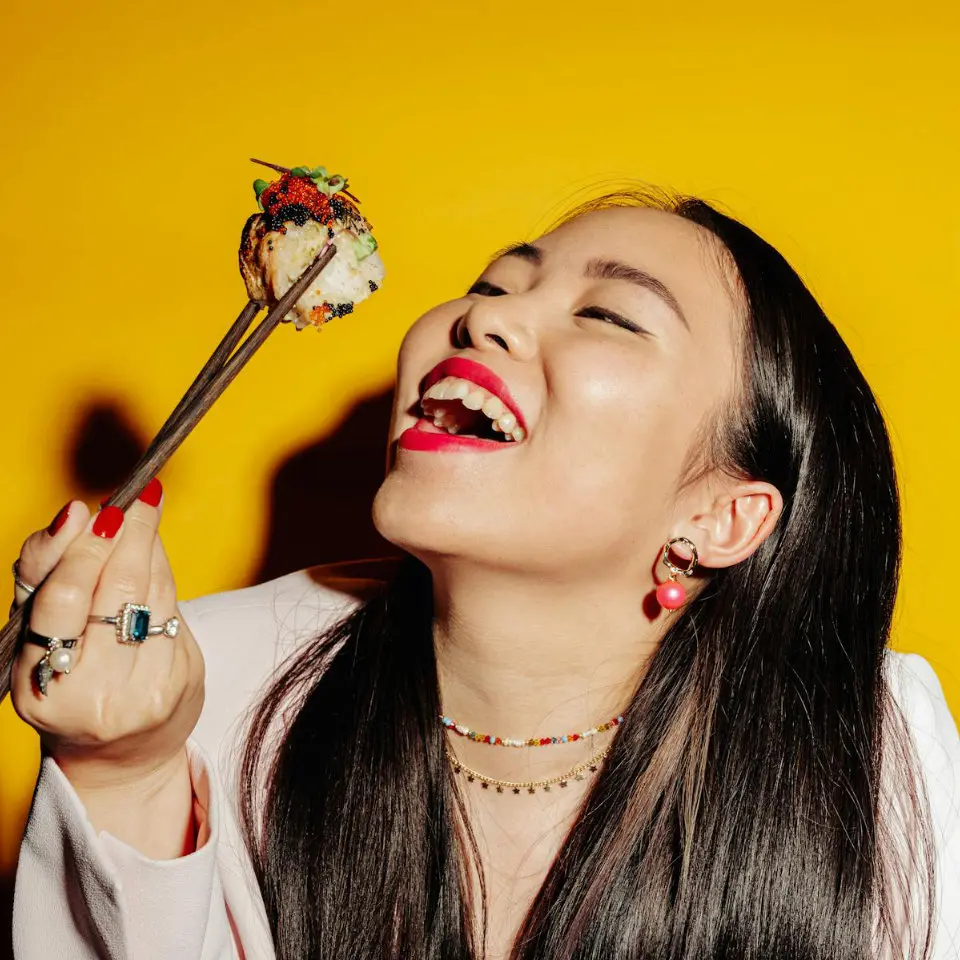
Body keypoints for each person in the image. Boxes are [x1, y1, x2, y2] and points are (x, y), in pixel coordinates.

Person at [8, 190, 960, 960]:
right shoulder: (200, 684)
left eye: (608, 315)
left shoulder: (873, 749)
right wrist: (122, 774)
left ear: (720, 517)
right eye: (493, 284)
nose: (487, 317)